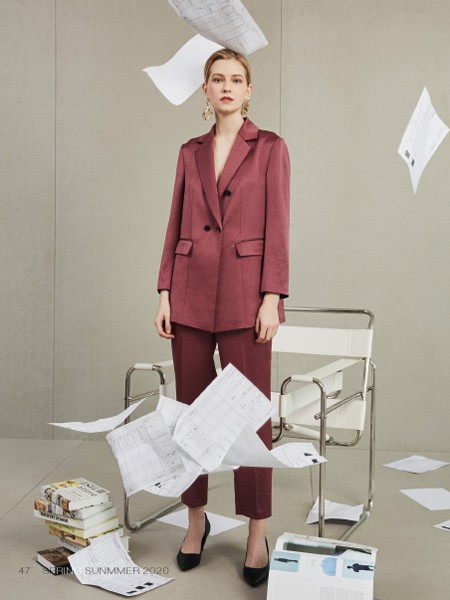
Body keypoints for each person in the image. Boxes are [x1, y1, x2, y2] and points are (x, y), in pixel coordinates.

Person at [154, 48, 290, 587]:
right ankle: (196, 521)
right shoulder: (189, 151)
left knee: (251, 418)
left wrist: (271, 296)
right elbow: (174, 224)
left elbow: (278, 225)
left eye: (236, 79)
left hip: (245, 297)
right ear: (205, 91)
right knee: (190, 415)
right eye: (217, 79)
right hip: (189, 293)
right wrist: (164, 290)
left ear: (248, 90)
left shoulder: (271, 147)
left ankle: (257, 531)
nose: (227, 86)